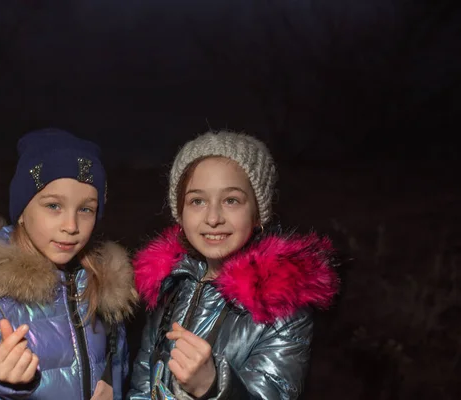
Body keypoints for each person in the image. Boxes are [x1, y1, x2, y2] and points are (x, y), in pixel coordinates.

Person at [0, 128, 138, 400]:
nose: (71, 226)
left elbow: (116, 372)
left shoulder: (103, 288)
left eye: (86, 209)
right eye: (53, 206)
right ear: (22, 212)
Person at [127, 130, 339, 399]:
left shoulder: (282, 309)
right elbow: (143, 385)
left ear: (258, 213)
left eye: (231, 200)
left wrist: (214, 387)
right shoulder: (170, 286)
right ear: (180, 213)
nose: (213, 218)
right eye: (197, 201)